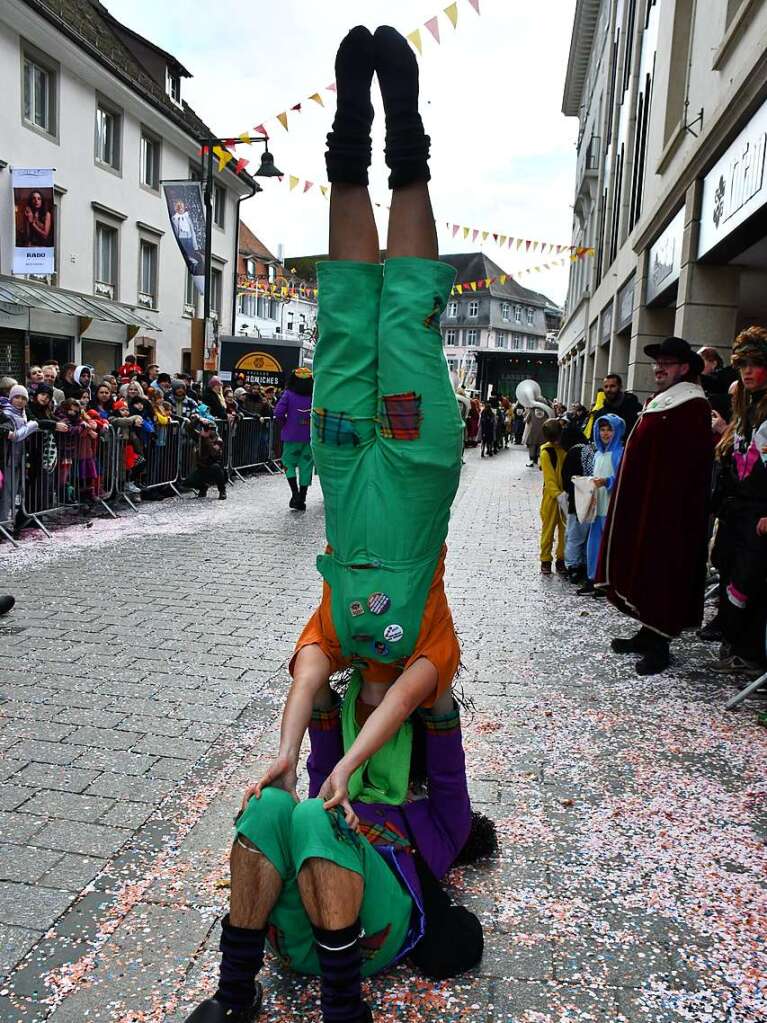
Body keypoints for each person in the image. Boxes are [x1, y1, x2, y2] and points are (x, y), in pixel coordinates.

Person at [183, 27, 486, 1023]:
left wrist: (292, 749)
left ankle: (345, 149)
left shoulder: (336, 637)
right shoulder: (424, 677)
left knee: (347, 317)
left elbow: (313, 663)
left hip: (356, 460)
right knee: (406, 320)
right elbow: (410, 696)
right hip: (416, 461)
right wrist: (354, 767)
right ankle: (410, 149)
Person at [596, 337, 712, 675]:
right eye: (657, 362)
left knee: (662, 569)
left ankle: (660, 642)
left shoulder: (692, 405)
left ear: (685, 368)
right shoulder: (668, 400)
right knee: (644, 564)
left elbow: (686, 466)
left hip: (668, 509)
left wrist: (661, 503)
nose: (659, 368)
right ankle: (647, 632)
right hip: (649, 501)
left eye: (667, 363)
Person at [708, 326, 767, 674]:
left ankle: (749, 653)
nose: (747, 371)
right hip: (737, 510)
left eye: (756, 363)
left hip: (759, 514)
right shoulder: (747, 410)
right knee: (728, 569)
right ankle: (734, 643)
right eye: (742, 363)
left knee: (750, 580)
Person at [580, 414, 625, 593]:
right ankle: (593, 578)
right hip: (597, 506)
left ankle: (609, 581)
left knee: (610, 545)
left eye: (610, 430)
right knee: (594, 543)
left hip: (611, 508)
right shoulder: (598, 454)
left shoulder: (620, 453)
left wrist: (608, 482)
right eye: (603, 429)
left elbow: (623, 478)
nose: (605, 434)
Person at [273, 368, 314, 510]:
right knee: (306, 466)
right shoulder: (315, 395)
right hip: (309, 437)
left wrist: (285, 425)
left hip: (291, 436)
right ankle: (302, 498)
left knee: (288, 463)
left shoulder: (288, 394)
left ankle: (295, 493)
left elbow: (278, 413)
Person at [561, 421, 594, 583]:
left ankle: (573, 566)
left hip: (578, 501)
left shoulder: (574, 452)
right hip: (593, 499)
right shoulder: (590, 450)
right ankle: (586, 566)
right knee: (587, 536)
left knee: (574, 535)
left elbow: (567, 480)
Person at [539, 418, 566, 575]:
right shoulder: (546, 452)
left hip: (561, 495)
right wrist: (559, 494)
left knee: (564, 530)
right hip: (552, 497)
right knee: (548, 529)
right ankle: (546, 559)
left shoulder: (561, 449)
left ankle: (561, 558)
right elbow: (549, 479)